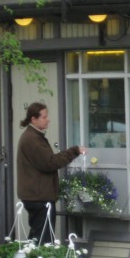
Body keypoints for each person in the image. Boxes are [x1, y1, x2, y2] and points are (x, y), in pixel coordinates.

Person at [17, 103, 86, 241]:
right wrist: (74, 151)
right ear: (33, 119)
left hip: (37, 195)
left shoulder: (34, 136)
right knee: (43, 238)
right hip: (39, 196)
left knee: (38, 235)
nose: (47, 119)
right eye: (44, 117)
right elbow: (50, 163)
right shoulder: (32, 139)